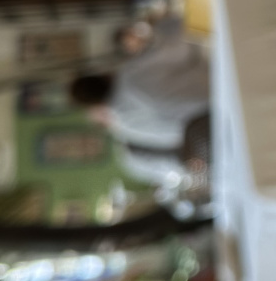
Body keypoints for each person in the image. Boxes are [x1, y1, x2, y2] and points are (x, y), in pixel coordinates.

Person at [69, 15, 209, 193]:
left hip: (212, 135)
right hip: (220, 90)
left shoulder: (124, 128)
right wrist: (160, 27)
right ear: (101, 75)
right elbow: (180, 45)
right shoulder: (130, 74)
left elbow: (178, 144)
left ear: (96, 104)